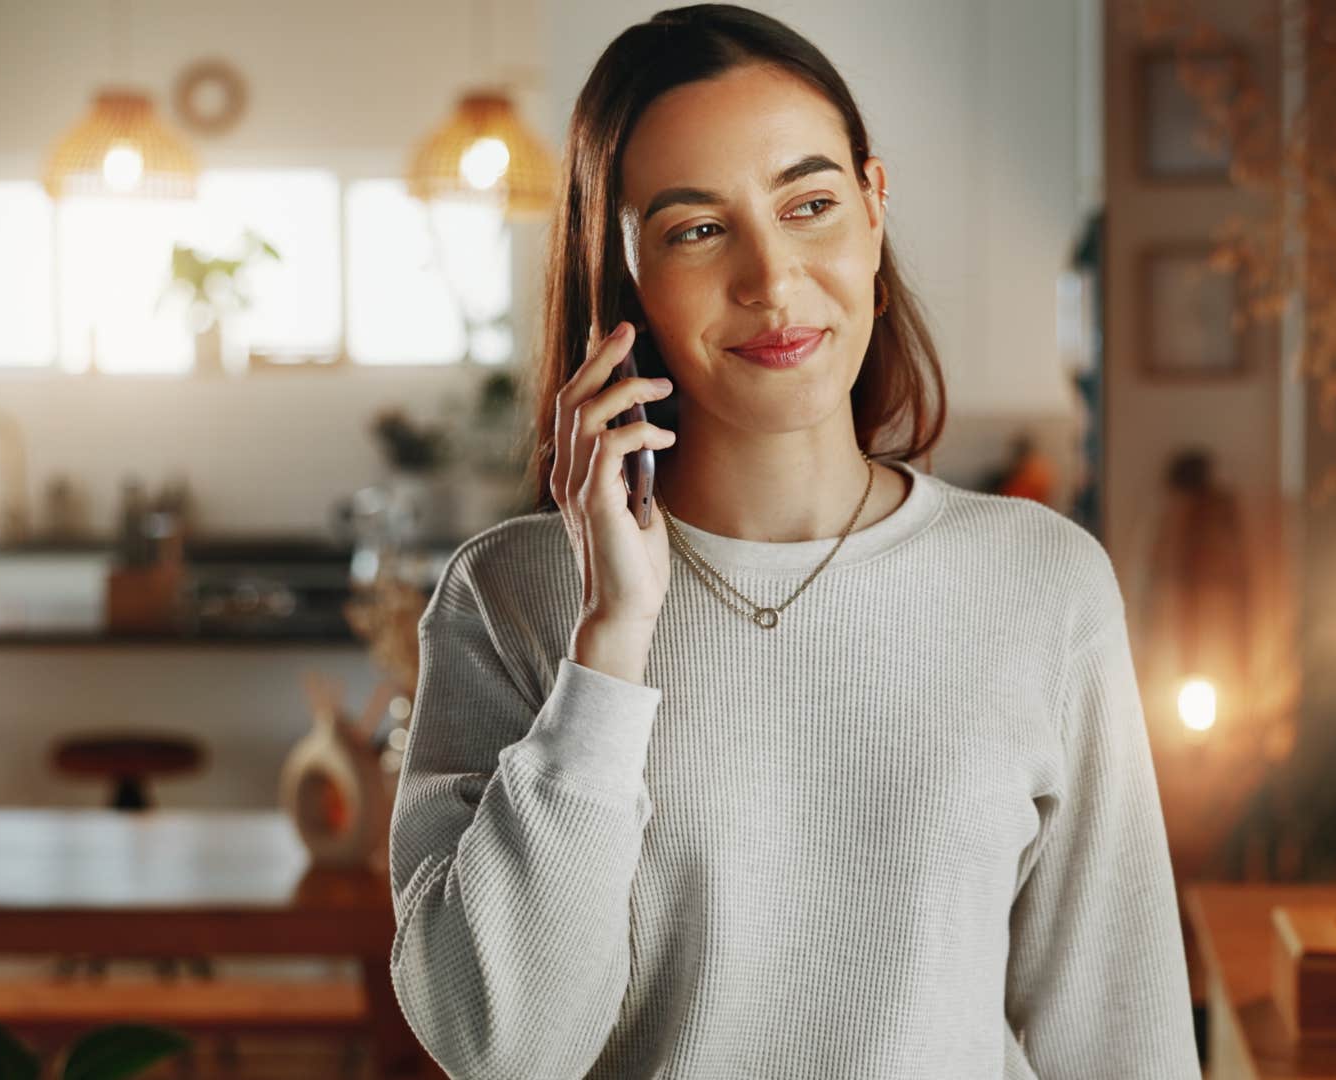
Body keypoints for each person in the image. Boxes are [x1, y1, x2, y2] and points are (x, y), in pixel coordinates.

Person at [386, 6, 1198, 1078]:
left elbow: (1121, 1038)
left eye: (809, 204)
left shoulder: (1043, 584)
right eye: (696, 229)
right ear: (624, 273)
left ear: (872, 206)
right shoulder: (511, 596)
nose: (771, 280)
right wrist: (610, 646)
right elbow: (502, 1046)